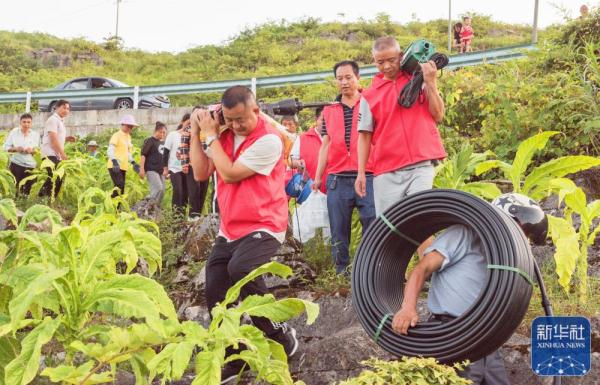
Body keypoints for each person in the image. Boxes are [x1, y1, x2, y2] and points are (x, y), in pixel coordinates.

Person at [189, 85, 298, 384]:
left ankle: (278, 334)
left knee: (242, 270)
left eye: (241, 119)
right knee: (215, 288)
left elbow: (230, 173)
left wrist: (211, 135)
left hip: (265, 223)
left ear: (256, 111)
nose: (235, 125)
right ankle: (233, 354)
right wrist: (199, 132)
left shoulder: (269, 140)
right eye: (229, 119)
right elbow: (200, 173)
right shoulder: (220, 134)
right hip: (231, 226)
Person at [392, 193, 548, 385]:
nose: (523, 239)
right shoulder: (462, 234)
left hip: (486, 339)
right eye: (523, 231)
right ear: (506, 216)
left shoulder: (506, 259)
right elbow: (421, 269)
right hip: (452, 334)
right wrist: (408, 308)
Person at [356, 36, 446, 216]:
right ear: (374, 61)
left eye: (391, 60)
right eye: (380, 62)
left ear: (401, 56)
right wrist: (361, 173)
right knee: (391, 226)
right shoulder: (369, 95)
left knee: (420, 219)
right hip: (386, 170)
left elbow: (438, 115)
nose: (387, 66)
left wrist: (431, 82)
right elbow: (364, 136)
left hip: (421, 164)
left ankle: (431, 246)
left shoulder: (418, 79)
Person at [312, 60, 376, 274]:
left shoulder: (370, 102)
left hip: (369, 175)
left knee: (372, 224)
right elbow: (325, 145)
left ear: (358, 78)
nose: (344, 82)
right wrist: (318, 177)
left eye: (348, 77)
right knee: (338, 229)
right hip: (338, 178)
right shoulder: (329, 111)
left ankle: (370, 270)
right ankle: (341, 272)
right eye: (340, 78)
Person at [179, 112, 209, 220]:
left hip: (206, 165)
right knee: (194, 191)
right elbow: (183, 148)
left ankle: (198, 216)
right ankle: (192, 217)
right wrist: (185, 164)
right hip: (192, 165)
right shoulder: (188, 130)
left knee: (203, 191)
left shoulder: (207, 129)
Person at [289, 107, 326, 193]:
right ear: (316, 119)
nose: (326, 123)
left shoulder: (337, 138)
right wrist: (298, 163)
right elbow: (291, 162)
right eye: (323, 120)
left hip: (334, 191)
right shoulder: (302, 138)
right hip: (309, 191)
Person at [3, 113, 39, 196]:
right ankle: (15, 205)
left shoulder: (35, 135)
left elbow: (38, 150)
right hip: (16, 164)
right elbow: (5, 147)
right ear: (20, 123)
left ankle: (25, 206)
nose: (26, 124)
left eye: (29, 122)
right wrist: (16, 149)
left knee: (28, 191)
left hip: (31, 166)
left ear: (31, 123)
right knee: (14, 189)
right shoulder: (14, 132)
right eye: (24, 122)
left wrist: (32, 151)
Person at [40, 99, 70, 198]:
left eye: (68, 109)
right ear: (57, 107)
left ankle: (46, 198)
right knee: (57, 175)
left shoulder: (60, 121)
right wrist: (63, 154)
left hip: (54, 154)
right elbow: (53, 140)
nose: (66, 110)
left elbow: (56, 137)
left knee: (56, 176)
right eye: (64, 108)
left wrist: (67, 138)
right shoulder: (53, 120)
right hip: (50, 154)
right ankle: (45, 198)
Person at [107, 115, 140, 198]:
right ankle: (110, 202)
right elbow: (110, 149)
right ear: (123, 124)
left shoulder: (128, 137)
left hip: (123, 166)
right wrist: (114, 161)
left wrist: (133, 162)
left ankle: (116, 209)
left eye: (131, 127)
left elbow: (128, 152)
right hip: (114, 165)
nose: (130, 128)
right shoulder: (116, 135)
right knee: (119, 184)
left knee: (121, 189)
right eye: (128, 126)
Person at [140, 122, 167, 203]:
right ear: (156, 131)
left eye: (164, 133)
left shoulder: (162, 142)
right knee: (158, 188)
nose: (162, 134)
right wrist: (141, 169)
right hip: (151, 169)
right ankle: (148, 204)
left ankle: (155, 207)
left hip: (160, 170)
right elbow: (143, 155)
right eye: (161, 132)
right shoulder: (150, 141)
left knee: (162, 191)